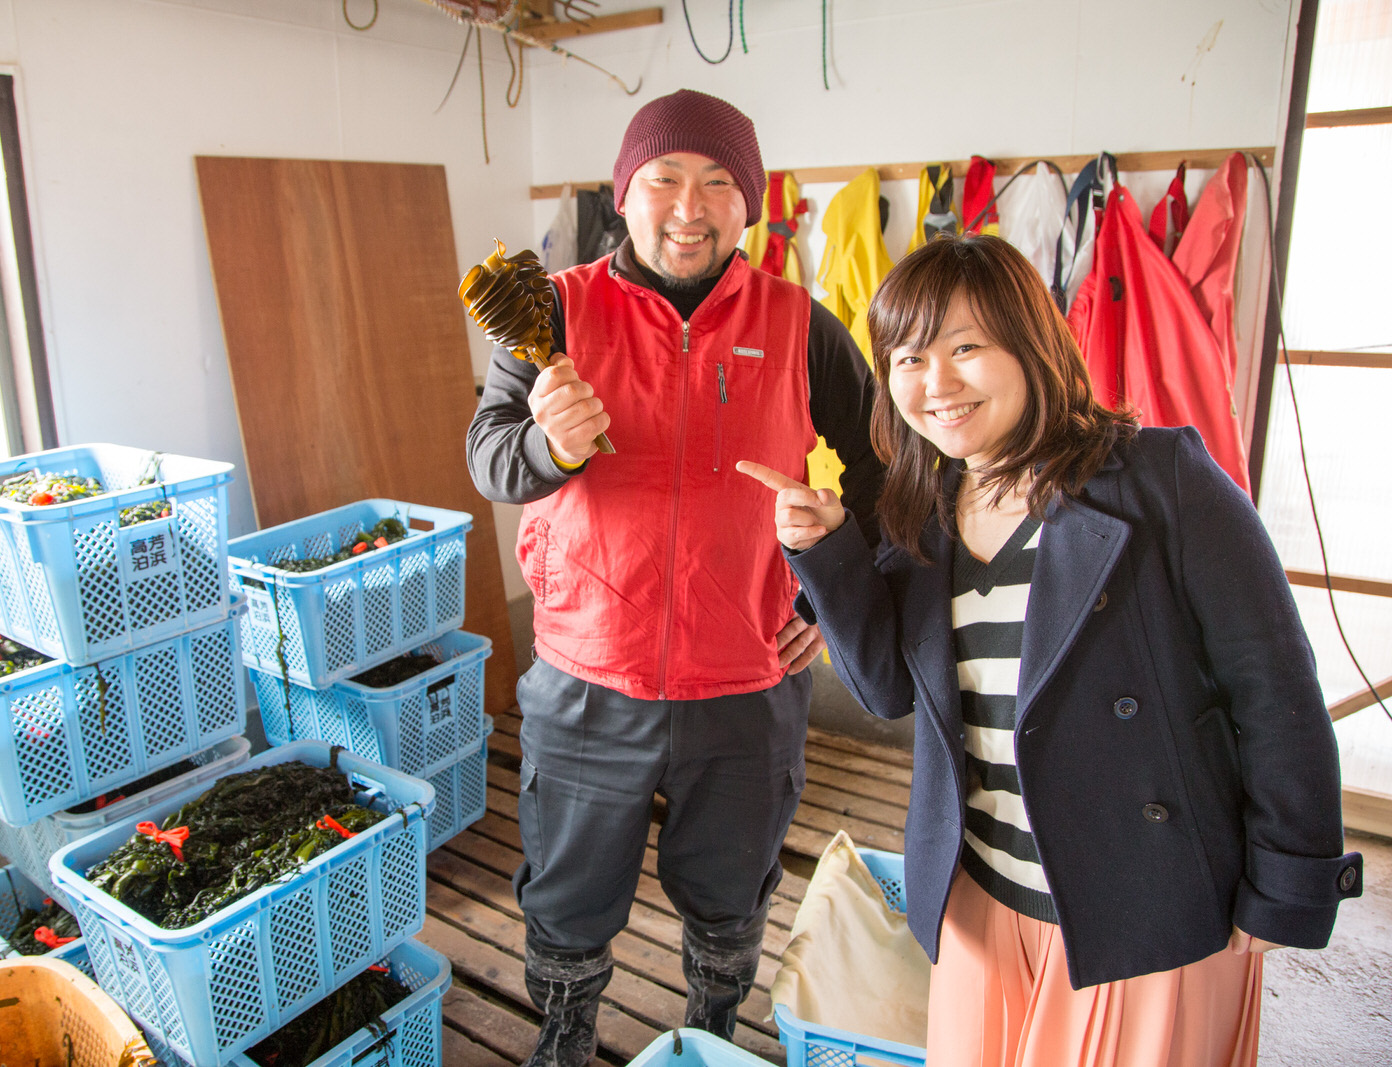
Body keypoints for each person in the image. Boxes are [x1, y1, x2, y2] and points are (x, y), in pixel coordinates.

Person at [739, 233, 1362, 1067]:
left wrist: (1288, 885)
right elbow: (886, 689)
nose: (936, 383)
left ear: (1032, 345)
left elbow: (1276, 689)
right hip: (981, 899)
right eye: (910, 358)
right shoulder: (922, 511)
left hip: (1140, 909)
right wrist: (826, 549)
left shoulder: (1161, 479)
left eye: (966, 348)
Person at [465, 88, 886, 1067]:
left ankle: (712, 1029)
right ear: (625, 192)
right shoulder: (554, 311)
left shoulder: (799, 323)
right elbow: (487, 454)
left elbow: (882, 468)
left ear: (751, 204)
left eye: (717, 184)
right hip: (586, 675)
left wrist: (830, 594)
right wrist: (548, 447)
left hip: (746, 684)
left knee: (731, 892)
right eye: (663, 179)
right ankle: (564, 1035)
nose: (689, 208)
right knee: (567, 895)